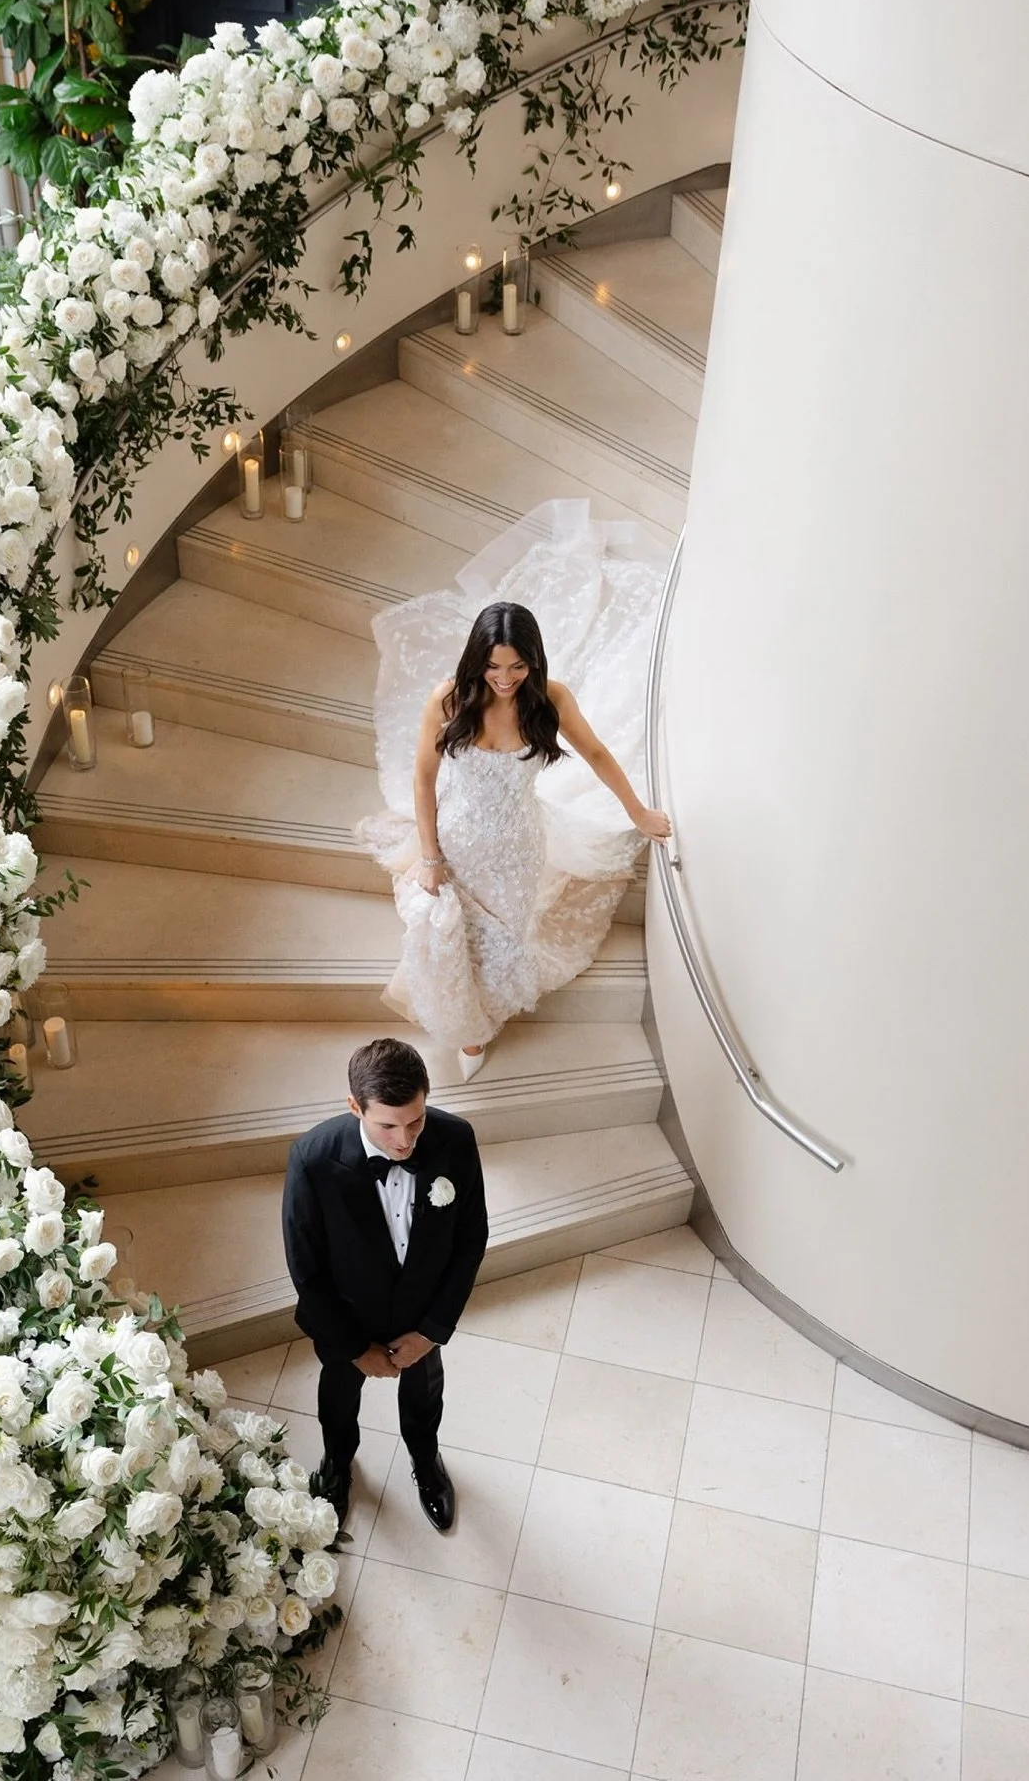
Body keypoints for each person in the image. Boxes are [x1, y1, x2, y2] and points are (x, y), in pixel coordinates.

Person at [358, 501, 672, 1079]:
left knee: (502, 944)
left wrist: (639, 811)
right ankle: (466, 1028)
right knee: (450, 935)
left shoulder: (550, 697)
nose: (505, 680)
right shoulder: (449, 699)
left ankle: (484, 1022)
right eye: (495, 668)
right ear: (478, 660)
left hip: (519, 848)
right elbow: (424, 779)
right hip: (459, 839)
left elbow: (598, 753)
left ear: (533, 662)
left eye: (517, 668)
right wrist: (429, 857)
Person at [281, 1037, 488, 1534]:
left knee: (425, 1398)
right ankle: (337, 1465)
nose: (405, 1140)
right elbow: (305, 1267)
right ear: (355, 1107)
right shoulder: (312, 1158)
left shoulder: (455, 1139)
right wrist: (353, 1347)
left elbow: (470, 1239)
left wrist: (431, 1331)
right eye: (388, 1125)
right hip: (346, 1321)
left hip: (421, 1316)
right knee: (337, 1398)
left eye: (415, 1120)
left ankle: (426, 1462)